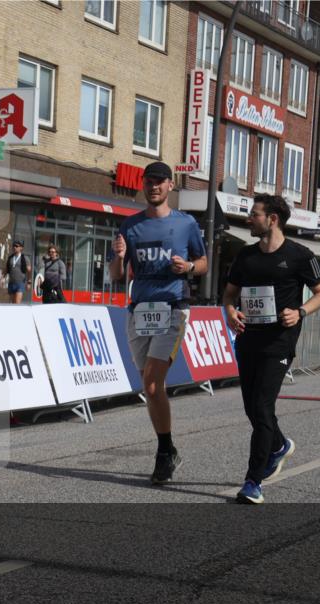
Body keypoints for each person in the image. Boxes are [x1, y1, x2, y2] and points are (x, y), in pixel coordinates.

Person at [223, 194, 320, 504]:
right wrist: (230, 313)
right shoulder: (245, 257)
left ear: (272, 219)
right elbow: (229, 295)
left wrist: (300, 311)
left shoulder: (299, 255)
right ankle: (280, 445)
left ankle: (253, 481)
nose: (249, 219)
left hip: (279, 342)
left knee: (262, 407)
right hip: (248, 339)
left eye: (254, 214)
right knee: (251, 409)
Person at [109, 161, 207, 484]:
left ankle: (164, 452)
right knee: (150, 389)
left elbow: (204, 264)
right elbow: (117, 277)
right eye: (149, 181)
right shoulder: (130, 226)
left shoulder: (186, 224)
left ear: (170, 186)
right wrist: (119, 257)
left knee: (152, 383)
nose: (153, 186)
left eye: (160, 182)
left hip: (173, 308)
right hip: (140, 311)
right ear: (143, 185)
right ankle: (169, 449)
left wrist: (189, 267)